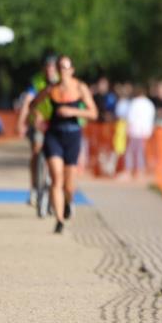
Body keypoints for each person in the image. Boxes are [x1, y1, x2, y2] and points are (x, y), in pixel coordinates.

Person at [29, 55, 98, 233]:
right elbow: (34, 104)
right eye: (60, 67)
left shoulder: (80, 88)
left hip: (73, 136)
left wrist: (72, 111)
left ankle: (68, 201)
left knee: (68, 184)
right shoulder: (51, 89)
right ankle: (59, 220)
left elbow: (93, 113)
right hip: (53, 135)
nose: (62, 71)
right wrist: (38, 118)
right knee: (56, 177)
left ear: (72, 70)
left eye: (66, 67)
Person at [16, 56, 60, 202]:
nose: (49, 71)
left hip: (56, 123)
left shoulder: (61, 81)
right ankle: (34, 187)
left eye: (52, 67)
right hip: (38, 122)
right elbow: (28, 100)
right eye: (46, 68)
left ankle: (59, 187)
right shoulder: (37, 81)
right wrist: (21, 122)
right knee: (36, 150)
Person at [124, 85, 156, 180]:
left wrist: (128, 129)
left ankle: (131, 171)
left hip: (136, 131)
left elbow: (131, 117)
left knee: (132, 151)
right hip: (145, 131)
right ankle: (140, 171)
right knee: (142, 151)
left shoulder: (135, 103)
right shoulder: (150, 104)